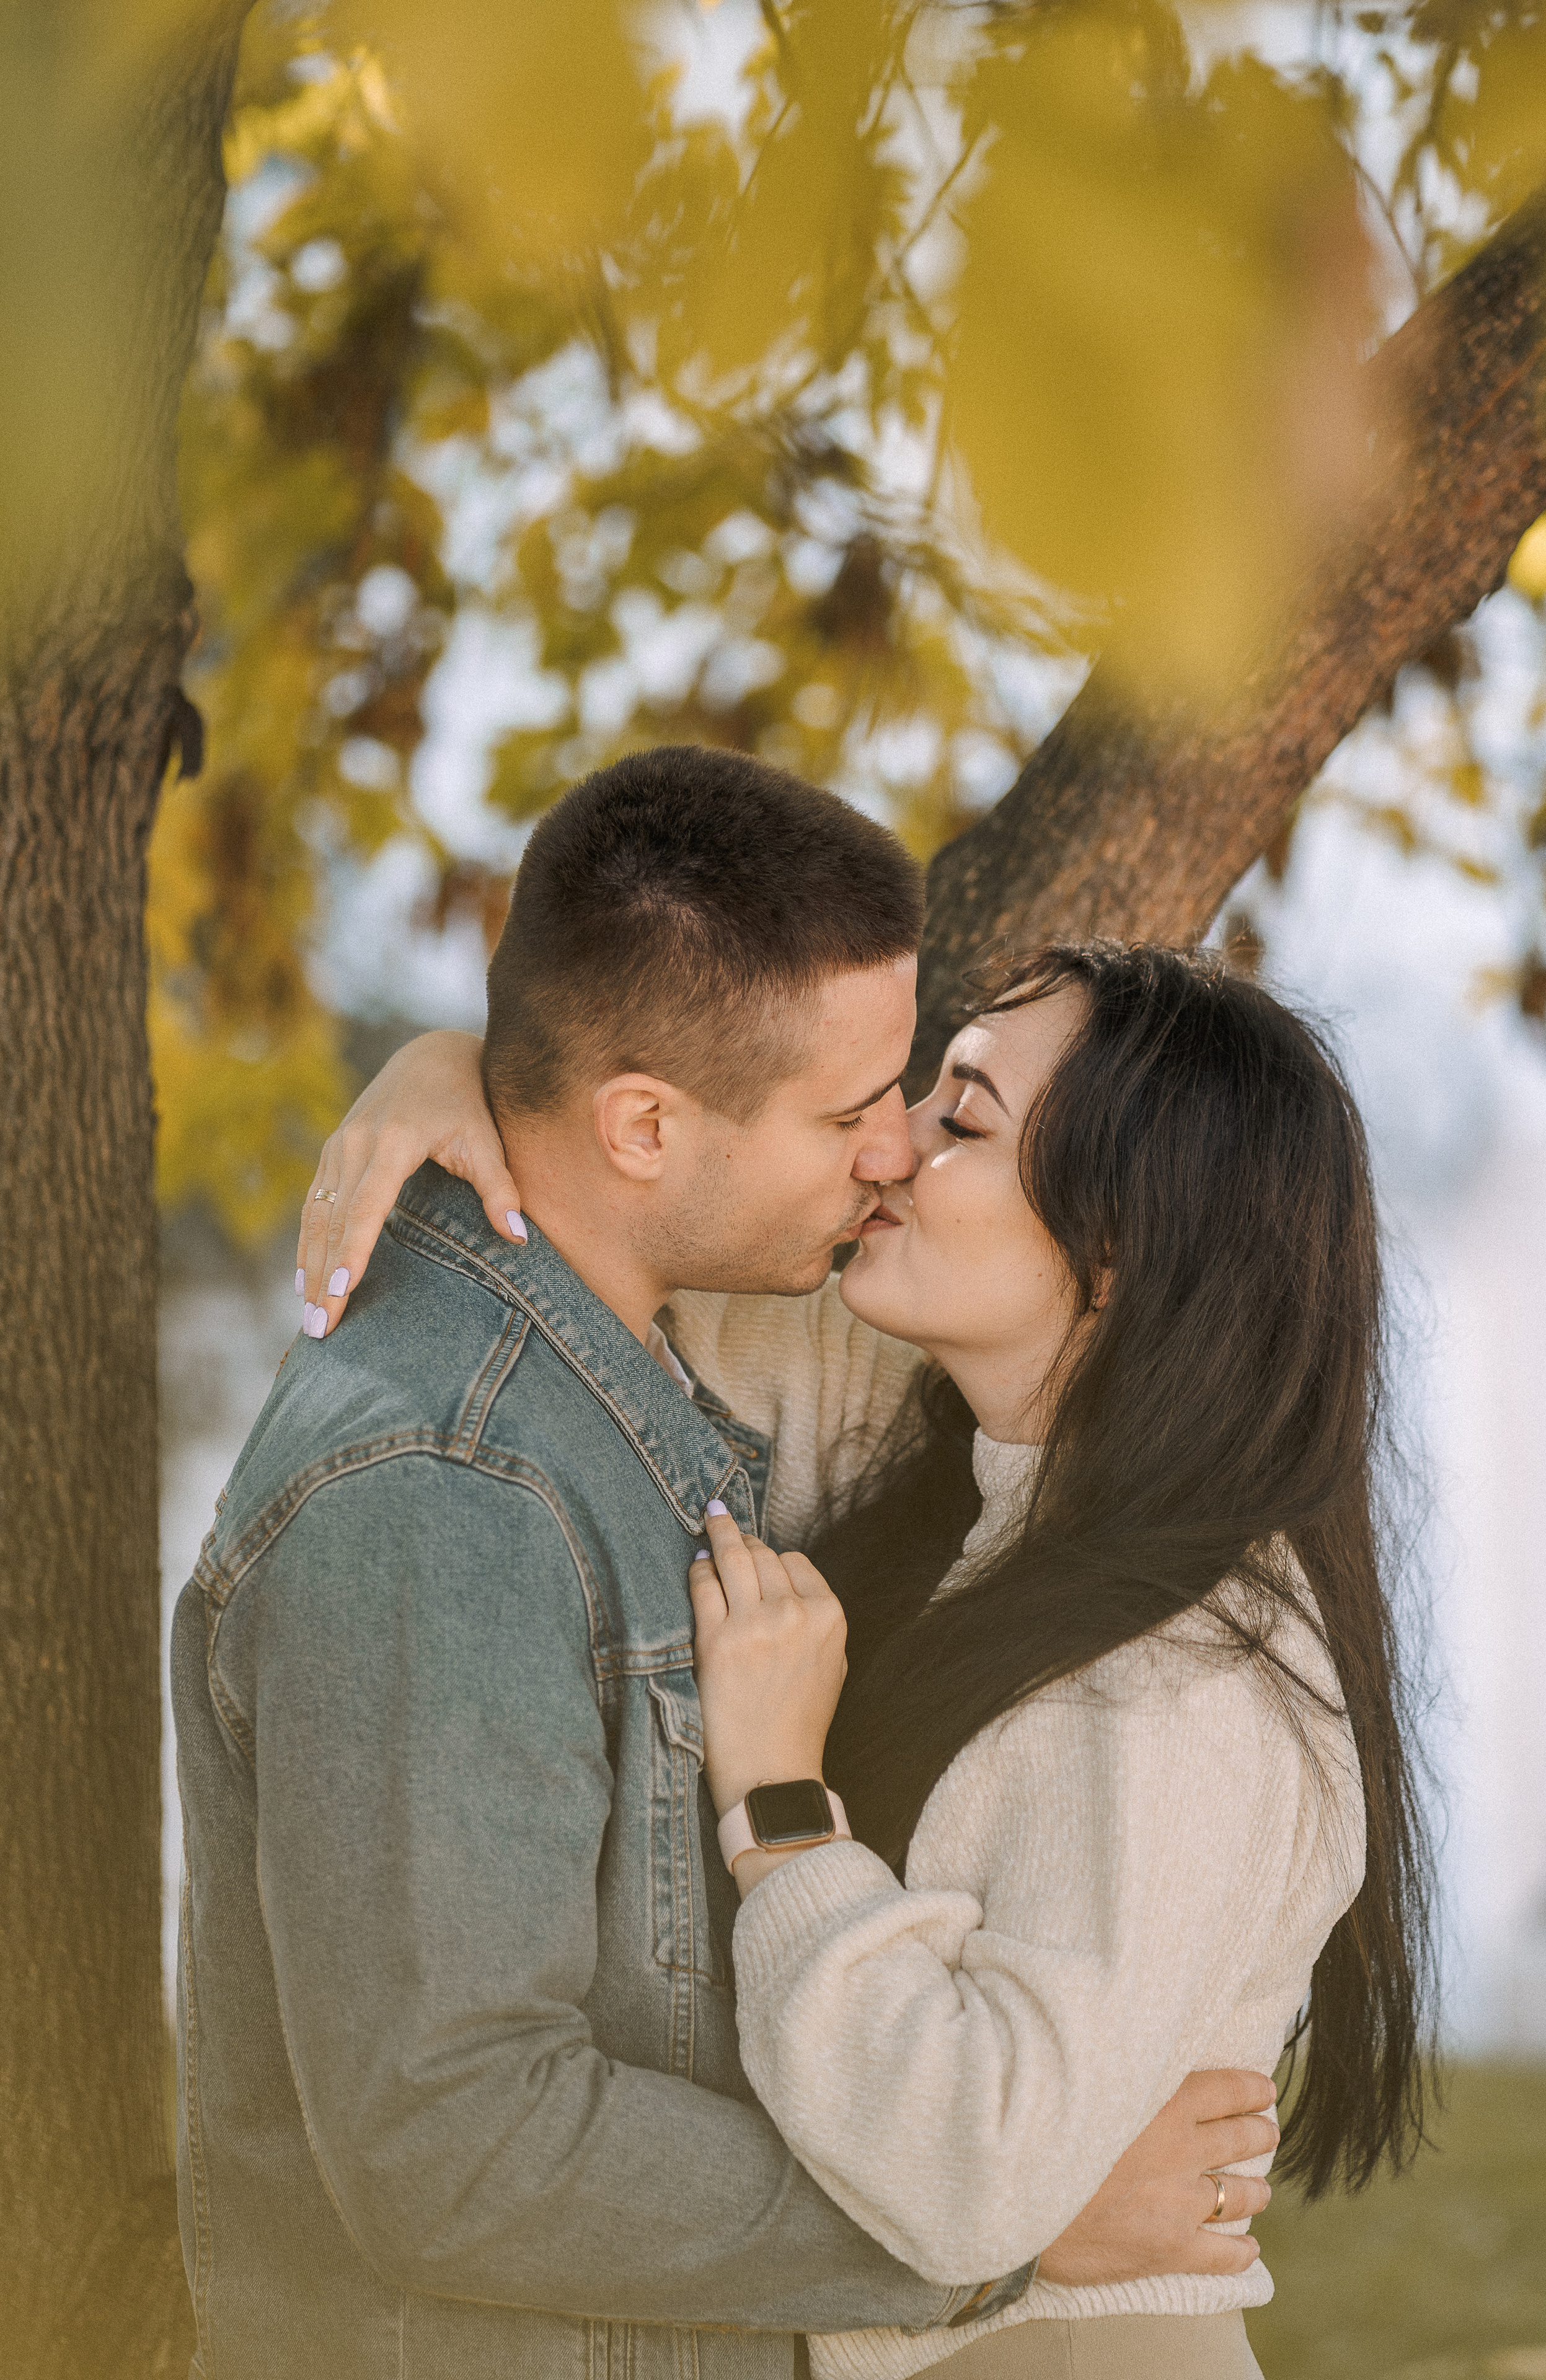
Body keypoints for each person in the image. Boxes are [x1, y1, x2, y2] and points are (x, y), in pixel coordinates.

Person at [174, 749, 1279, 2380]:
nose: (893, 1152)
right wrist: (985, 2240)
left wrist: (461, 1067)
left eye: (915, 1097)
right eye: (853, 1112)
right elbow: (457, 2147)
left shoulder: (661, 1370)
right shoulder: (443, 1495)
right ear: (640, 1126)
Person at [307, 938, 1434, 2380]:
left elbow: (968, 2176)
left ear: (1118, 1248)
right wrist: (444, 1077)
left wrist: (778, 1807)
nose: (889, 1144)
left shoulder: (1197, 1675)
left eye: (959, 1120)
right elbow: (613, 1230)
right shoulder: (958, 1450)